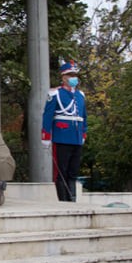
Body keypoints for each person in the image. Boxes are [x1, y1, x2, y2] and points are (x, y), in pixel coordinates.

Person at [40, 60, 87, 202]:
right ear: (64, 77)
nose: (74, 78)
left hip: (77, 137)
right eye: (70, 75)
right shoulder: (55, 94)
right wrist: (46, 136)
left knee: (73, 172)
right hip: (62, 137)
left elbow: (83, 116)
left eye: (75, 75)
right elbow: (47, 115)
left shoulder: (80, 95)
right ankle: (64, 202)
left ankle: (72, 200)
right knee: (61, 172)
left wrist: (83, 133)